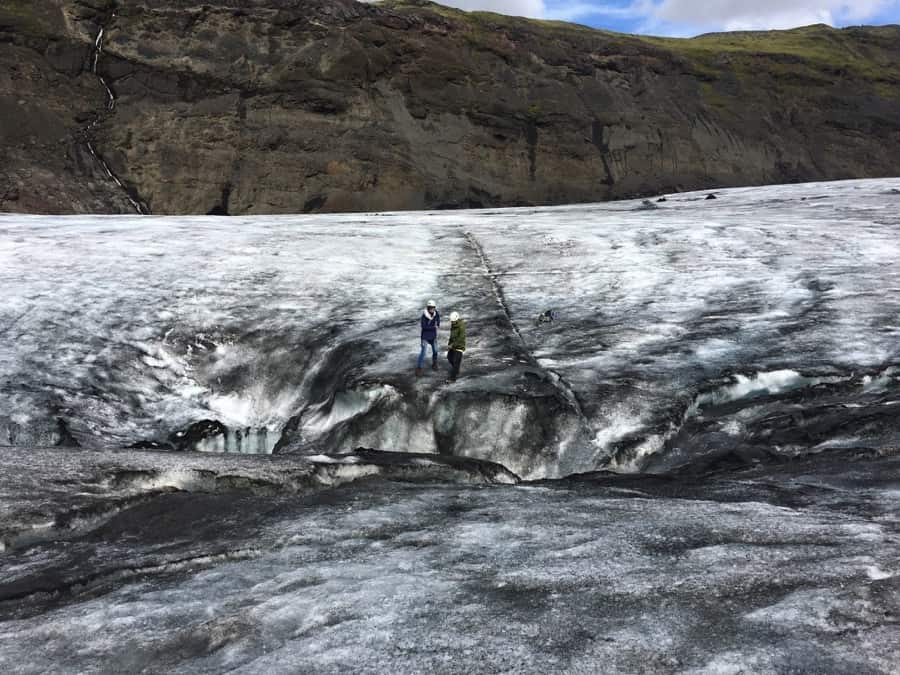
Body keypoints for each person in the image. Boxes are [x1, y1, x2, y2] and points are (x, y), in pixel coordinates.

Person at [416, 300, 440, 376]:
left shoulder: (436, 313)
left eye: (433, 307)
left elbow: (438, 318)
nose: (432, 309)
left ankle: (434, 364)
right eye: (431, 308)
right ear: (428, 308)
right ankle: (418, 368)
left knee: (435, 351)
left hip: (433, 336)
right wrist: (433, 327)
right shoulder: (424, 316)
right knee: (423, 353)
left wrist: (438, 324)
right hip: (425, 337)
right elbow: (424, 326)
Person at [447, 311, 466, 382]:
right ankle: (456, 369)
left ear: (456, 320)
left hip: (459, 346)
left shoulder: (461, 326)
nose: (452, 323)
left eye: (453, 321)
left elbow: (460, 338)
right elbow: (451, 336)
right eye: (451, 321)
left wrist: (452, 345)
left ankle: (452, 378)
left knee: (456, 362)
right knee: (449, 357)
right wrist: (449, 344)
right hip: (452, 346)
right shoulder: (453, 325)